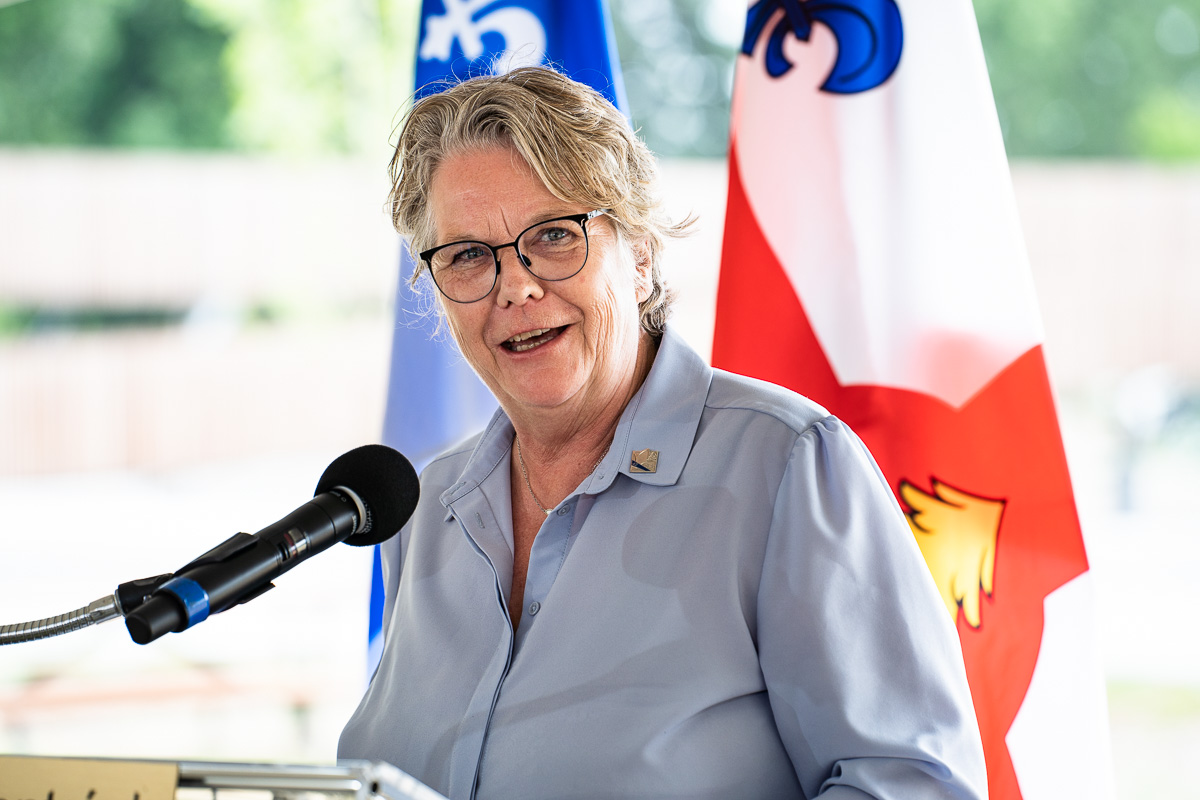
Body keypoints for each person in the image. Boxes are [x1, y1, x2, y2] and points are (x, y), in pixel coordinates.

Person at [339, 66, 988, 800]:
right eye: (467, 256)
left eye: (553, 236)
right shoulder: (421, 507)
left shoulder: (787, 468)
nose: (515, 286)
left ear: (640, 257)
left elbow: (913, 785)